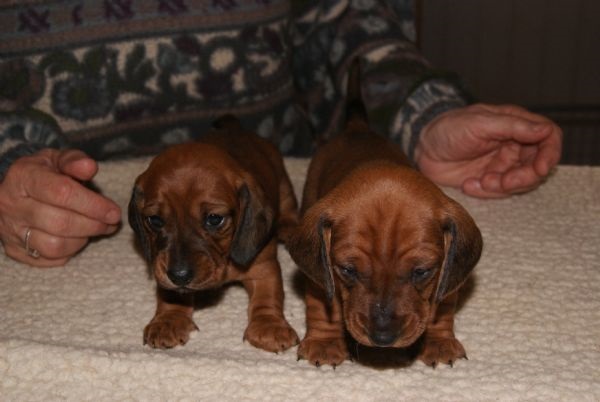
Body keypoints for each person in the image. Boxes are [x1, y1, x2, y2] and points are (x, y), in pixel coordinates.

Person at [0, 0, 561, 267]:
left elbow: (346, 20)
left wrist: (423, 113)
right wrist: (7, 155)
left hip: (270, 179)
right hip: (69, 200)